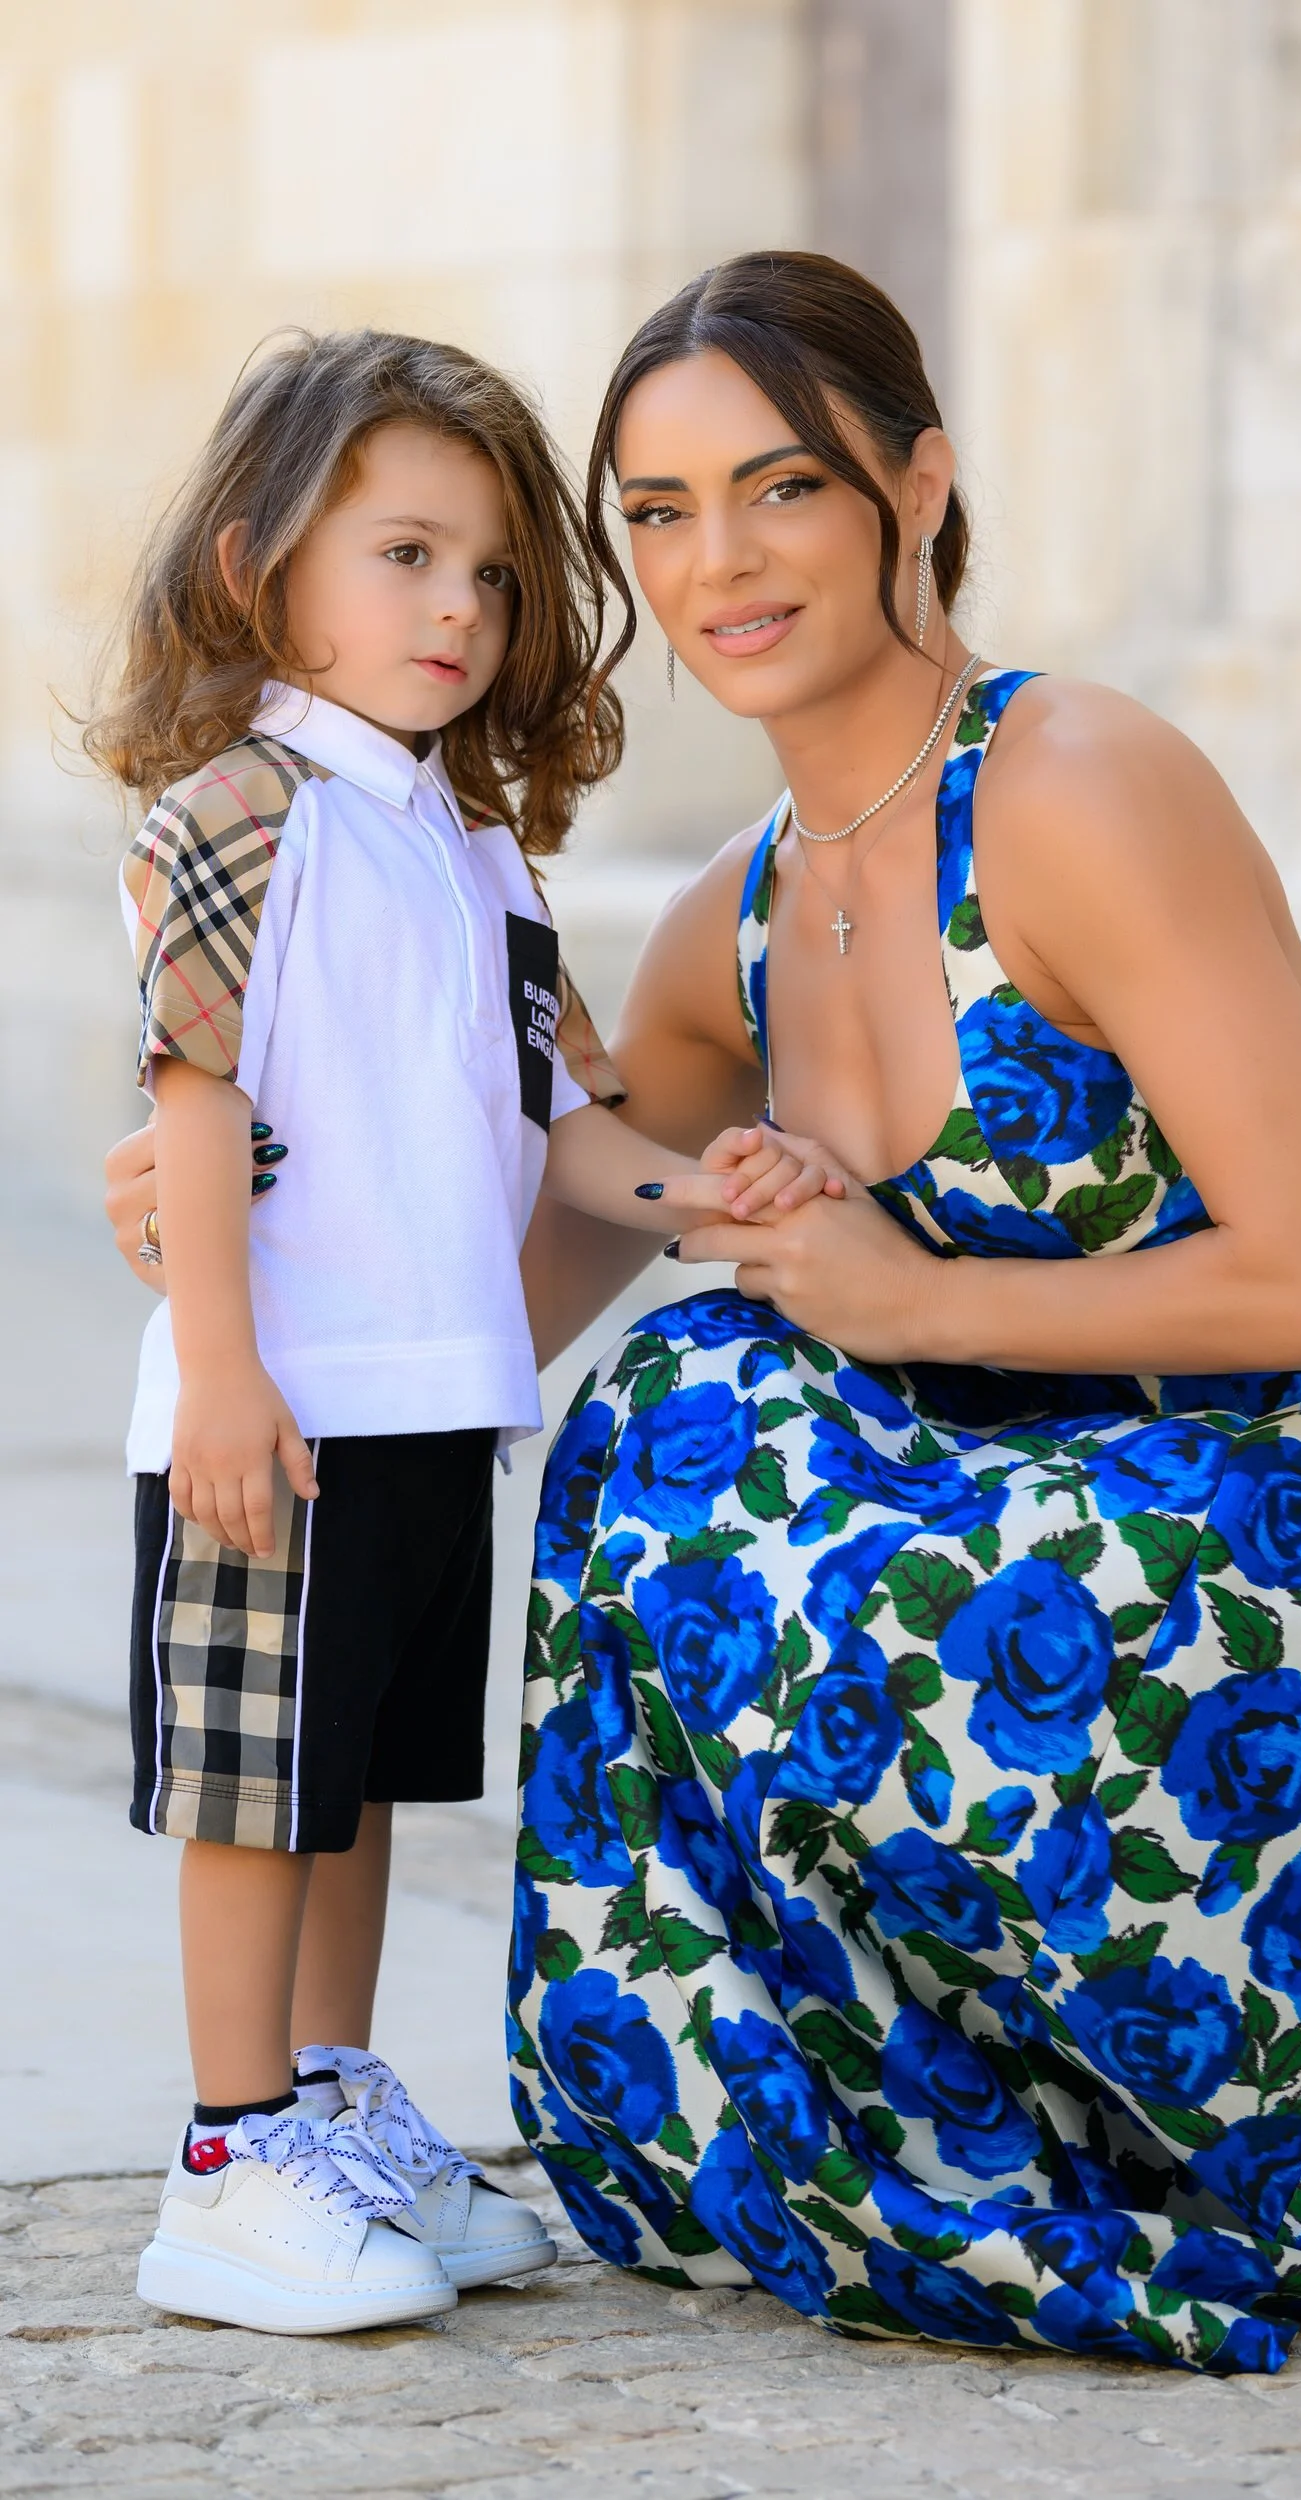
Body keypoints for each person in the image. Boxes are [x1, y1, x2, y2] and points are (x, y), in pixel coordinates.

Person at [108, 256, 1301, 2375]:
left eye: (783, 488)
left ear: (917, 487)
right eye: (659, 514)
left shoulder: (1077, 782)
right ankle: (857, 2105)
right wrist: (249, 1216)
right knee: (680, 1413)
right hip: (1038, 1570)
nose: (720, 563)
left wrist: (913, 1288)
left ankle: (1282, 2079)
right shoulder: (723, 929)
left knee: (898, 1521)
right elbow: (506, 1262)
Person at [88, 329, 833, 2336]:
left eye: (492, 573)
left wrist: (719, 1198)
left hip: (435, 1400)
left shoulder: (477, 849)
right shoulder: (239, 811)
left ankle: (327, 2099)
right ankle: (228, 2156)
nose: (459, 609)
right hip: (280, 1406)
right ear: (258, 567)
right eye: (406, 555)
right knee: (256, 1790)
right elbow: (191, 1097)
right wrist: (222, 1372)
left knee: (357, 1780)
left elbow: (558, 1126)